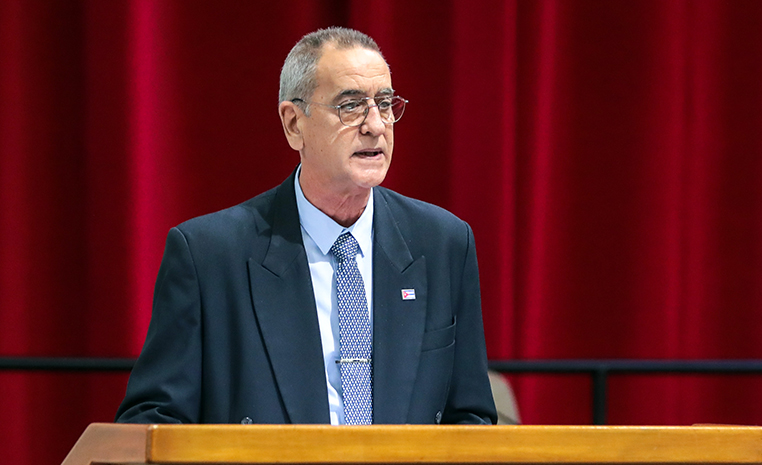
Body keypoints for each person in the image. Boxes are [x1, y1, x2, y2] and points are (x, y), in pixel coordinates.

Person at [115, 27, 497, 425]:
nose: (376, 125)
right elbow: (152, 421)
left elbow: (471, 418)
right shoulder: (209, 256)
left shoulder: (442, 244)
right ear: (294, 123)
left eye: (384, 104)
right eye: (351, 106)